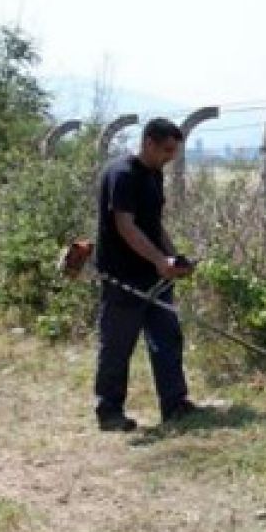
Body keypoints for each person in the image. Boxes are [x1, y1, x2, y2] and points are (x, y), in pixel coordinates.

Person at [92, 118, 200, 431]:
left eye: (174, 151)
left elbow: (154, 224)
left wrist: (173, 257)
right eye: (166, 150)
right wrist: (158, 260)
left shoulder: (154, 174)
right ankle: (109, 412)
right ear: (148, 142)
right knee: (118, 345)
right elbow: (126, 226)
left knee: (167, 339)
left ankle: (175, 405)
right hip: (123, 277)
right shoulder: (121, 175)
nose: (170, 156)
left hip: (155, 277)